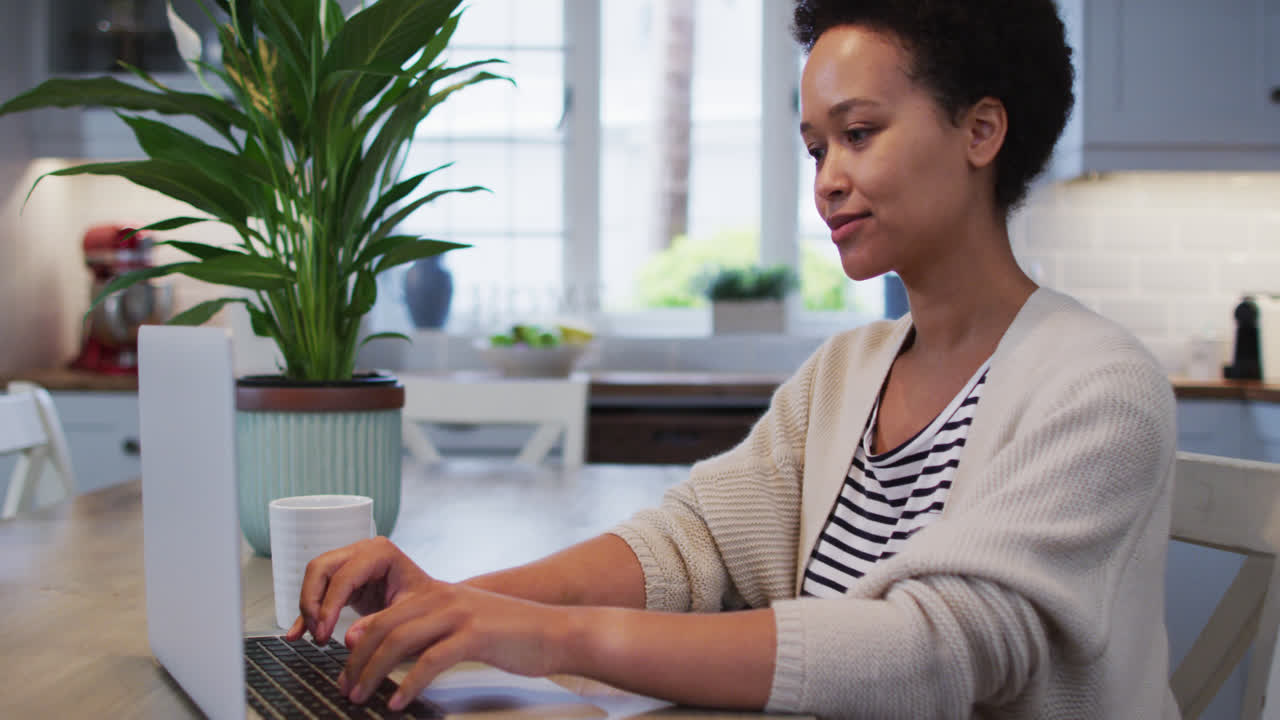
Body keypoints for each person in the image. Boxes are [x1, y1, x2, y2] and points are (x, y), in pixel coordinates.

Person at [288, 1, 1179, 717]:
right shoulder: (848, 372)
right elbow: (692, 545)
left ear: (981, 131)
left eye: (859, 133)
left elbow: (931, 656)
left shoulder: (1098, 388)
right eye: (816, 147)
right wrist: (453, 606)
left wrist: (553, 637)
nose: (826, 177)